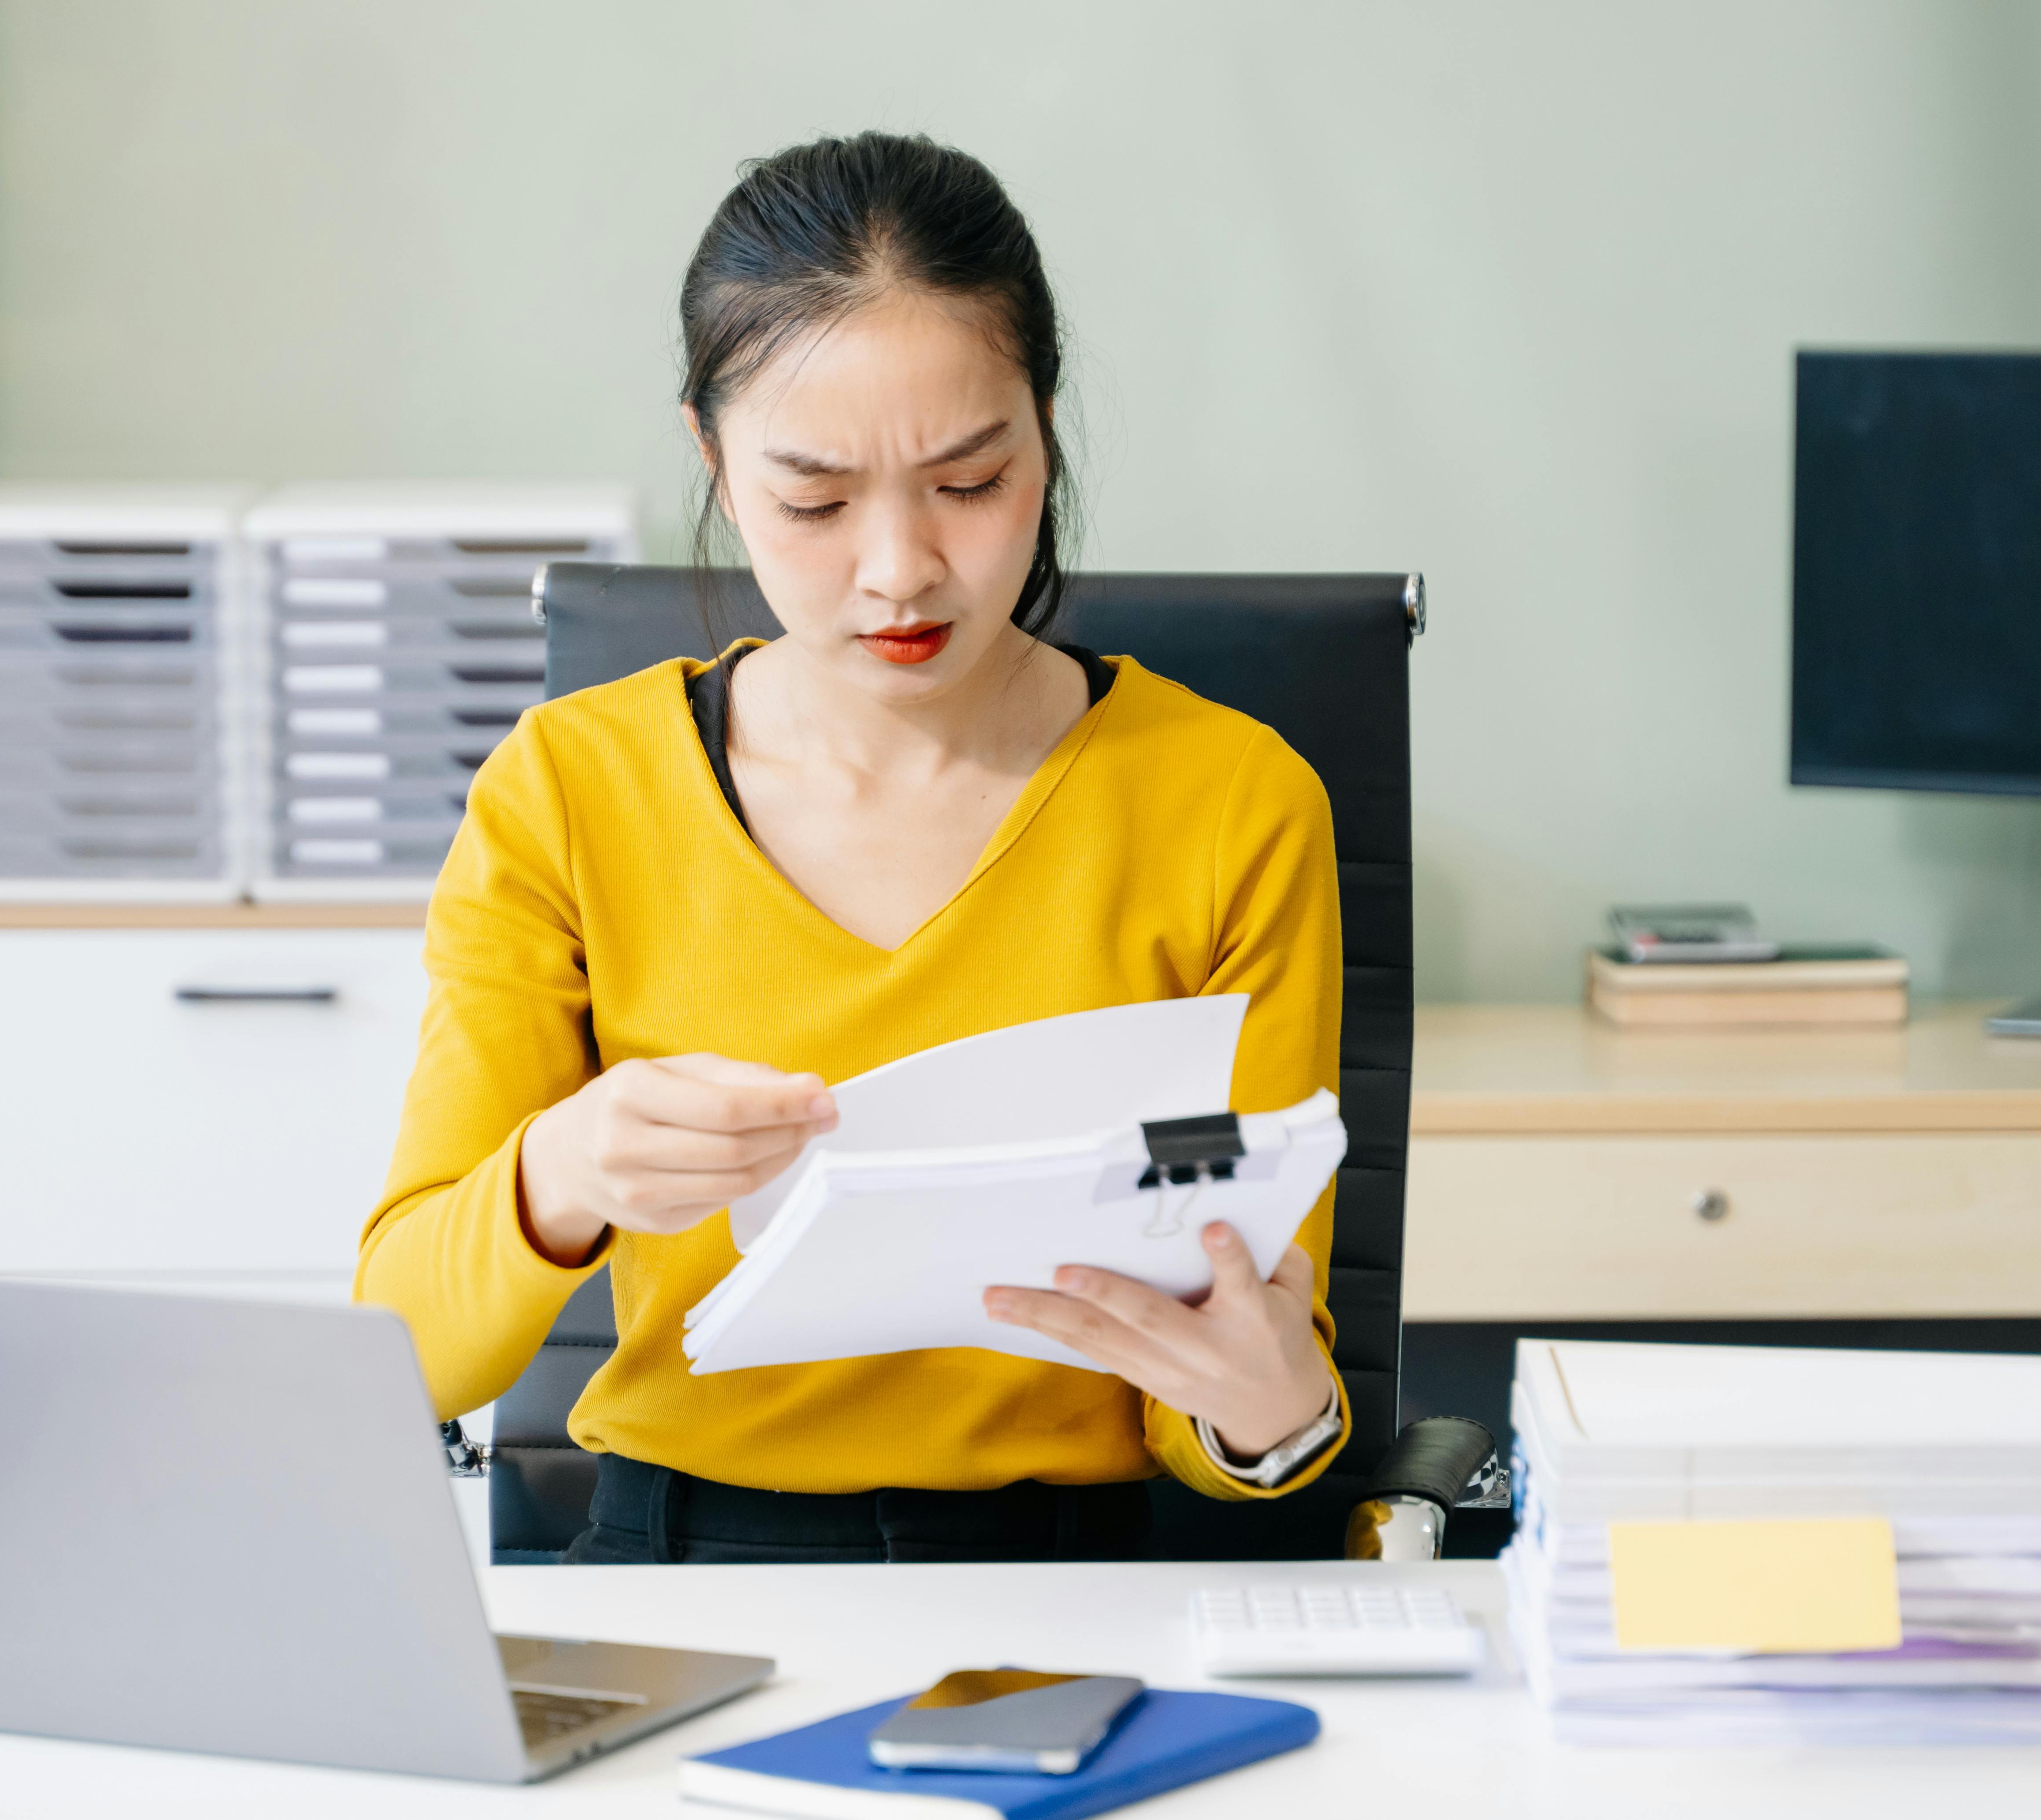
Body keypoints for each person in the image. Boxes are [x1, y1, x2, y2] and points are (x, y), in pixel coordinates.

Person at [354, 131, 1345, 1564]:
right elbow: (401, 1355)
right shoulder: (565, 791)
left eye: (970, 482)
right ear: (713, 461)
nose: (898, 572)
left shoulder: (1231, 803)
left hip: (1068, 1584)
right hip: (679, 1570)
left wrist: (1268, 1414)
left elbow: (1248, 1367)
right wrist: (559, 1171)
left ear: (1044, 430)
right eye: (813, 501)